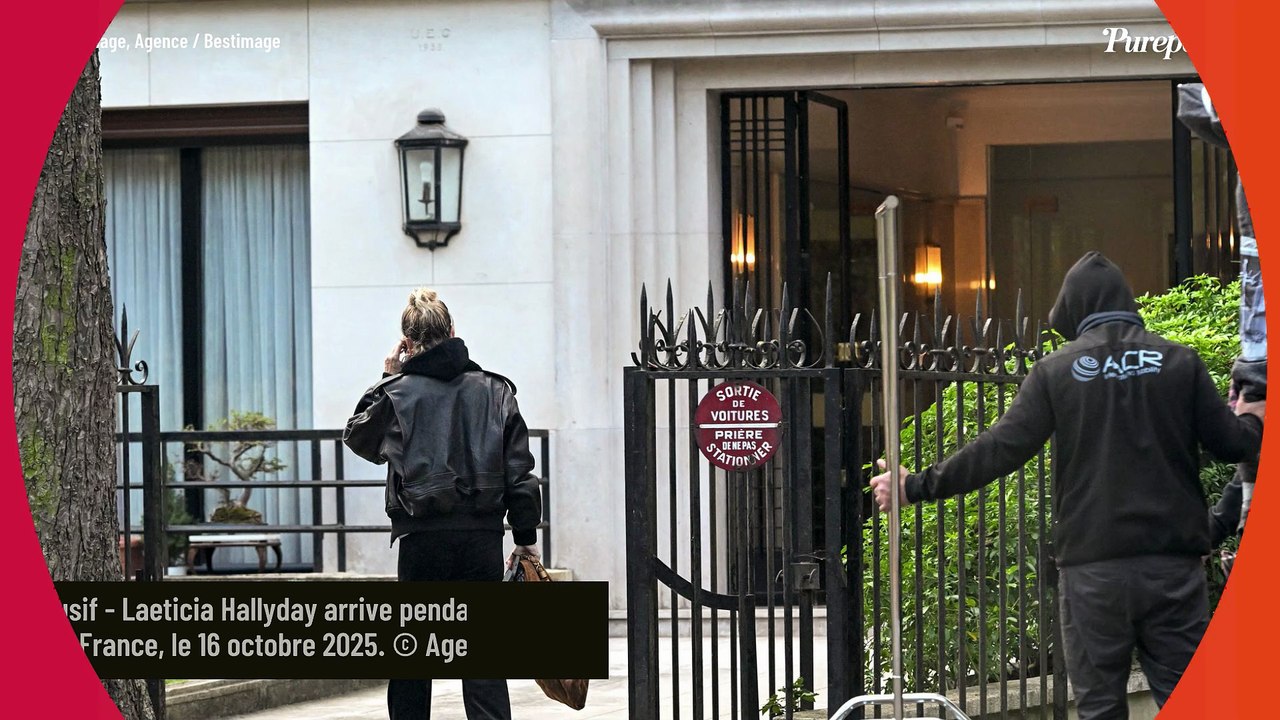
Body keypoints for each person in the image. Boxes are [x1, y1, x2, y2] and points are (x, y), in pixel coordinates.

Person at [870, 252, 1264, 720]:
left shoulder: (1057, 371)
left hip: (1092, 574)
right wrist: (1253, 418)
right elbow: (1233, 444)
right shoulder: (1180, 363)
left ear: (1075, 310)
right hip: (1171, 571)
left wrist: (915, 486)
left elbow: (998, 450)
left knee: (1099, 709)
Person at [343, 288, 542, 720]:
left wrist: (385, 378)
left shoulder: (397, 392)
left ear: (408, 343)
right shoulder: (496, 391)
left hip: (421, 539)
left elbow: (360, 440)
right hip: (481, 539)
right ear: (452, 331)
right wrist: (525, 539)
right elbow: (521, 476)